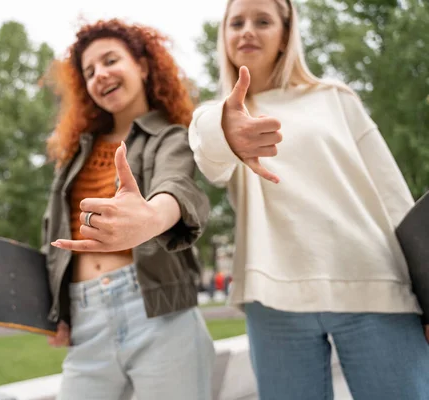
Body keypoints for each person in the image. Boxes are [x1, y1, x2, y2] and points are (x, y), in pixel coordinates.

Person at [188, 0, 429, 399]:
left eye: (262, 21)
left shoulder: (335, 98)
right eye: (236, 23)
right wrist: (228, 131)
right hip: (273, 300)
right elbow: (211, 159)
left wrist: (427, 289)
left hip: (372, 281)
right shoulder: (216, 117)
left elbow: (394, 199)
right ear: (224, 37)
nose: (247, 30)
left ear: (285, 35)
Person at [41, 18, 215, 400]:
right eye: (89, 71)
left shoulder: (171, 137)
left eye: (110, 60)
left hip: (159, 314)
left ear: (143, 65)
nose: (100, 74)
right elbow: (51, 242)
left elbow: (177, 186)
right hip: (85, 320)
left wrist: (153, 216)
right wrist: (55, 311)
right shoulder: (74, 155)